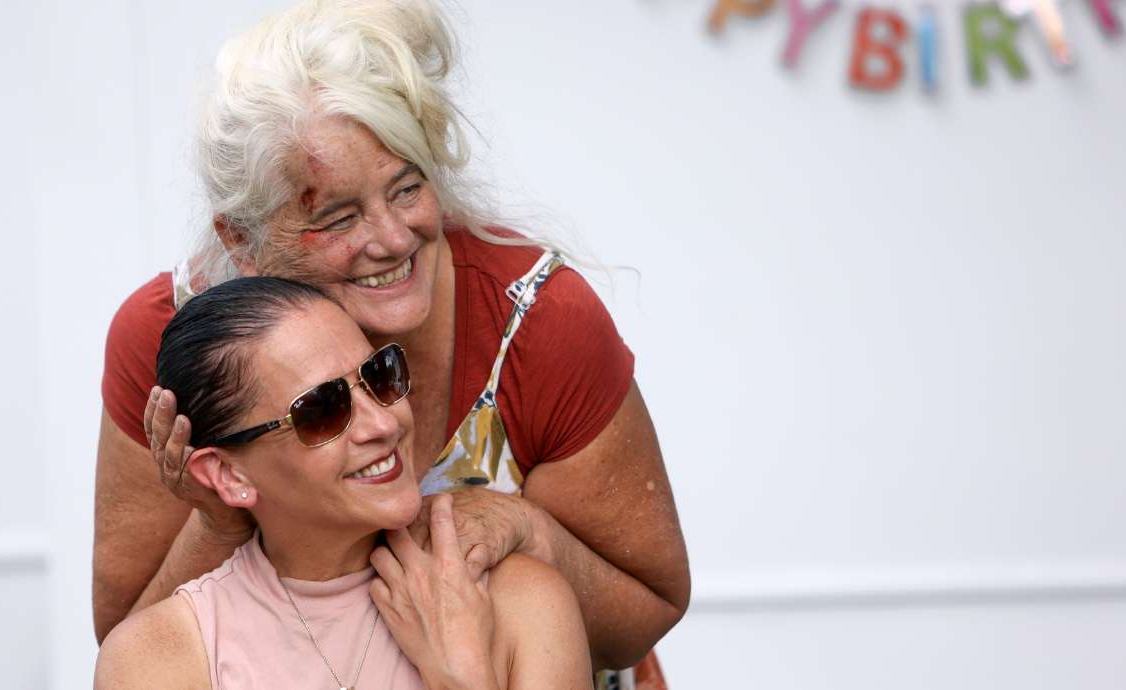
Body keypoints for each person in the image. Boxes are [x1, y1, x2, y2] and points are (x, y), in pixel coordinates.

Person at [94, 1, 689, 686]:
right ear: (241, 239)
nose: (393, 238)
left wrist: (529, 532)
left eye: (407, 188)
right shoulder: (169, 345)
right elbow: (138, 647)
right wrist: (220, 523)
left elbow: (650, 604)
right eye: (339, 216)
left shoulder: (536, 321)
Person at [95, 276, 592, 689]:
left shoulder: (524, 605)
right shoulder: (157, 660)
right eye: (323, 411)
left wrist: (462, 680)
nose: (384, 424)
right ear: (229, 474)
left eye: (380, 375)